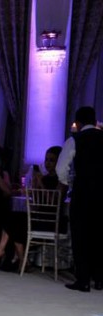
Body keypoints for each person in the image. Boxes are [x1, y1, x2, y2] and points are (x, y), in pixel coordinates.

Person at [56, 106, 103, 292]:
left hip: (83, 192)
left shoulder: (74, 140)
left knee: (80, 234)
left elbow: (61, 168)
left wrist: (68, 183)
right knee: (99, 234)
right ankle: (99, 279)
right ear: (95, 120)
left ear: (77, 122)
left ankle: (83, 280)